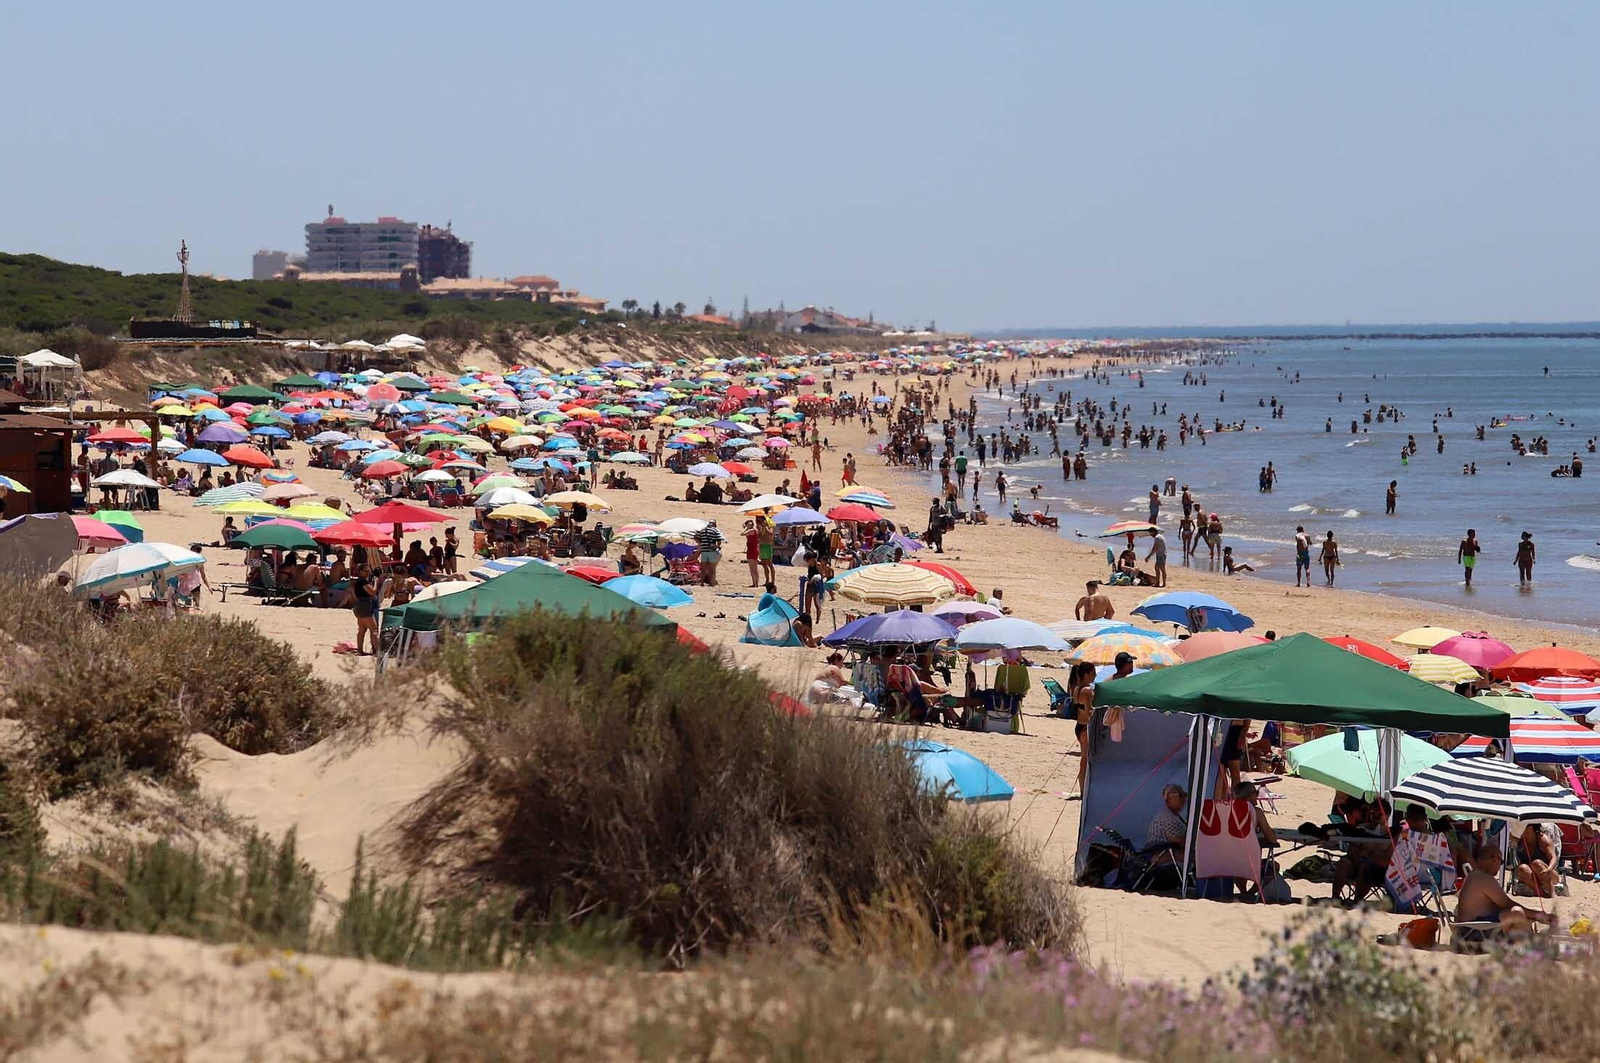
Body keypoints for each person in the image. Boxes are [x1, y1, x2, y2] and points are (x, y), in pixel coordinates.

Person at [1456, 843, 1553, 940]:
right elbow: (1508, 904)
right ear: (1494, 860)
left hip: (1474, 928)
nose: (1500, 866)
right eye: (1501, 862)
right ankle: (1532, 943)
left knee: (1525, 912)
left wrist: (1534, 913)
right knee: (1517, 913)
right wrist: (1539, 915)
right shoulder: (1484, 879)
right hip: (1473, 932)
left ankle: (1531, 940)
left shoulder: (1474, 876)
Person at [1516, 822, 1560, 897]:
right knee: (1522, 868)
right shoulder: (1521, 840)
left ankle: (1552, 893)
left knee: (1537, 863)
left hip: (1548, 872)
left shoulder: (1543, 840)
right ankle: (1541, 893)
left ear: (1530, 828)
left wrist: (1549, 869)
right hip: (1530, 874)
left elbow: (1553, 857)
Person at [1145, 783, 1188, 853]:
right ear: (1169, 799)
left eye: (1185, 794)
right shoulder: (1168, 817)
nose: (1184, 798)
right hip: (1161, 855)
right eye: (1180, 795)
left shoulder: (1175, 816)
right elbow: (1179, 841)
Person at [350, 566, 379, 655]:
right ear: (360, 572)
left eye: (368, 571)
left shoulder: (357, 582)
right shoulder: (363, 581)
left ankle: (360, 650)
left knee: (362, 630)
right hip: (365, 605)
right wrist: (376, 583)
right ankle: (378, 651)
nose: (367, 573)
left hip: (359, 605)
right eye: (365, 571)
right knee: (374, 630)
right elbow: (372, 592)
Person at [695, 519, 725, 586]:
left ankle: (702, 582)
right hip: (711, 551)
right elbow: (719, 540)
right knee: (712, 569)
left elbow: (696, 537)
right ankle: (712, 583)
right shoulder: (715, 530)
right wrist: (716, 546)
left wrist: (701, 543)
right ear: (714, 524)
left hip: (704, 551)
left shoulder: (702, 530)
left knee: (703, 568)